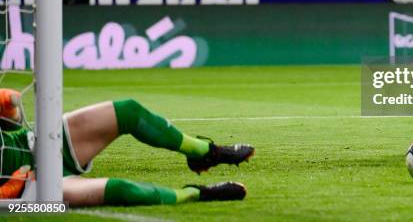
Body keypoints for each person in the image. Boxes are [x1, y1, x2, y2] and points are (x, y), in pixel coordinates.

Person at [0, 88, 254, 205]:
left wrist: (8, 107)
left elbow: (12, 122)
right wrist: (10, 191)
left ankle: (205, 152)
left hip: (34, 143)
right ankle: (196, 194)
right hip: (32, 188)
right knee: (122, 191)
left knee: (127, 111)